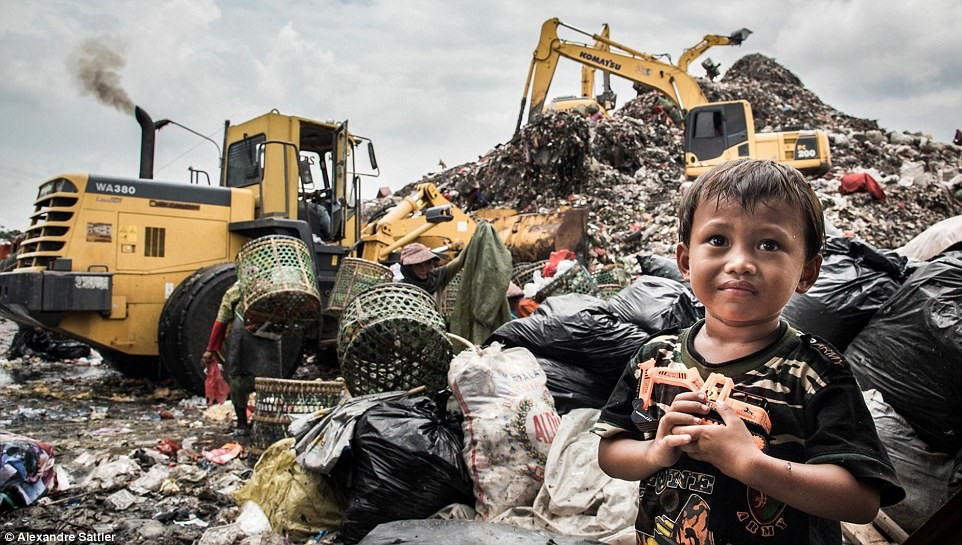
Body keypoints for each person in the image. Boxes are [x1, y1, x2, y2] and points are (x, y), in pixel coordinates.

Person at [594, 159, 903, 544]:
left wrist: (751, 464)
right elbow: (611, 452)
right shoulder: (654, 357)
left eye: (769, 245)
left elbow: (861, 501)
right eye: (718, 240)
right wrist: (656, 451)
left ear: (806, 272)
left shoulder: (815, 372)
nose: (740, 263)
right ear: (685, 261)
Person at [397, 242, 465, 296]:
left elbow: (459, 261)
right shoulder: (400, 290)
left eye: (427, 264)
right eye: (418, 265)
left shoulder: (437, 277)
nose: (424, 269)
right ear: (408, 268)